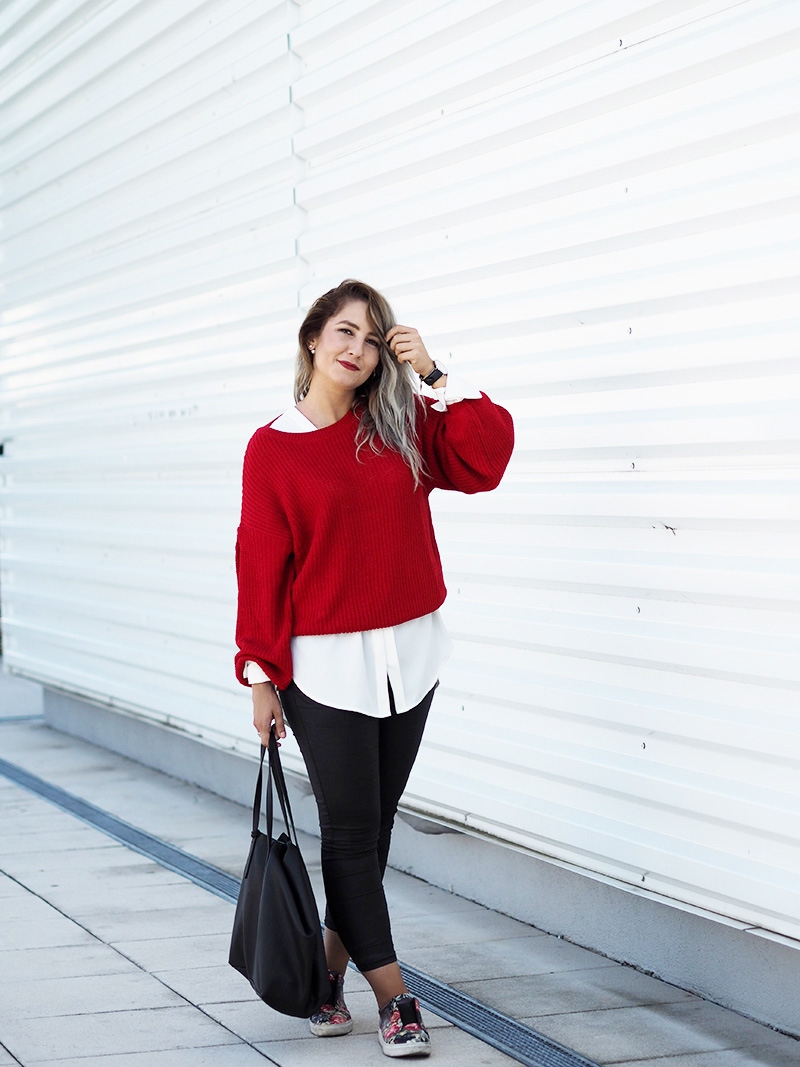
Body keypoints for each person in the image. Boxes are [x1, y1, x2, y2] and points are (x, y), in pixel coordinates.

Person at [234, 279, 513, 1058]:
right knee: (352, 832)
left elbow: (484, 460)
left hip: (410, 655)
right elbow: (261, 563)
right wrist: (260, 675)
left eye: (371, 337)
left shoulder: (398, 421)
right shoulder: (272, 447)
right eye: (344, 332)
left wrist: (435, 375)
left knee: (372, 830)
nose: (356, 348)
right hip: (324, 667)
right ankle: (395, 999)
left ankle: (328, 976)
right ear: (313, 338)